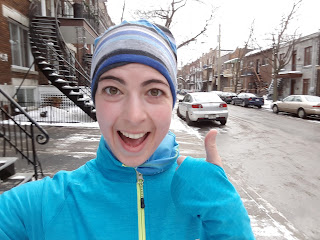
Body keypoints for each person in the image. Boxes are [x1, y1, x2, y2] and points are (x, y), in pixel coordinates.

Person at [0, 20, 255, 239]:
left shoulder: (204, 202)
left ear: (173, 103)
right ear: (95, 99)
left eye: (154, 91)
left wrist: (227, 212)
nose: (134, 117)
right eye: (113, 90)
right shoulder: (41, 205)